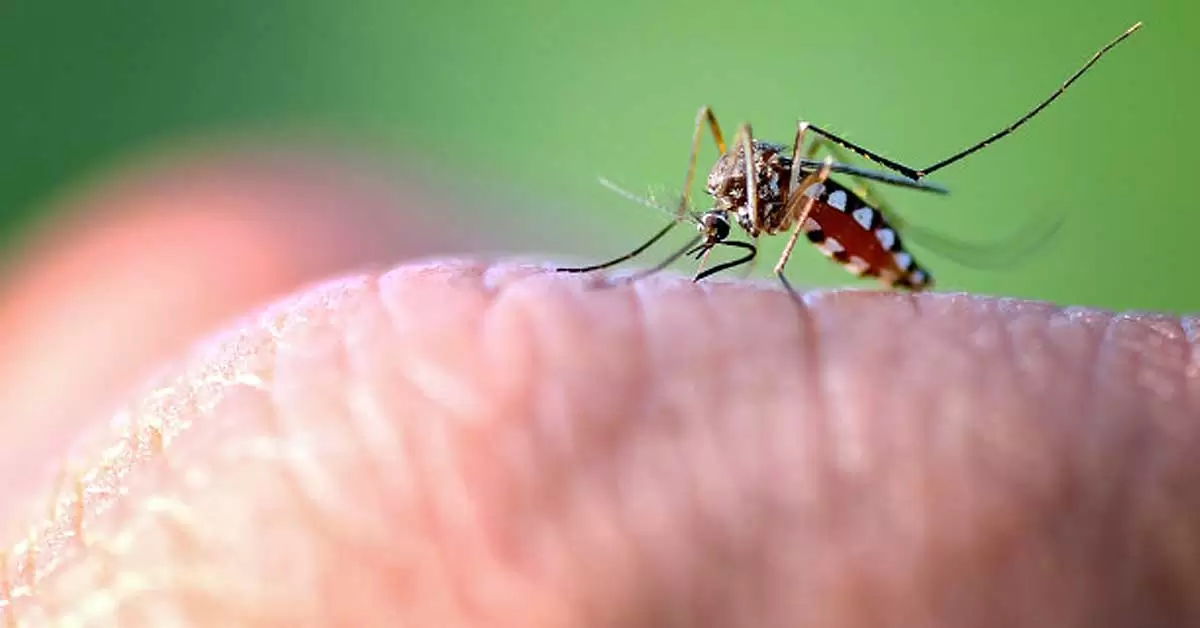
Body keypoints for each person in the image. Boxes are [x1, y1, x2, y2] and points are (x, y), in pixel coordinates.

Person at [1, 149, 1196, 627]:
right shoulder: (727, 194)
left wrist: (794, 234)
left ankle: (936, 201)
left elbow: (784, 190)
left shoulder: (781, 198)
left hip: (842, 210)